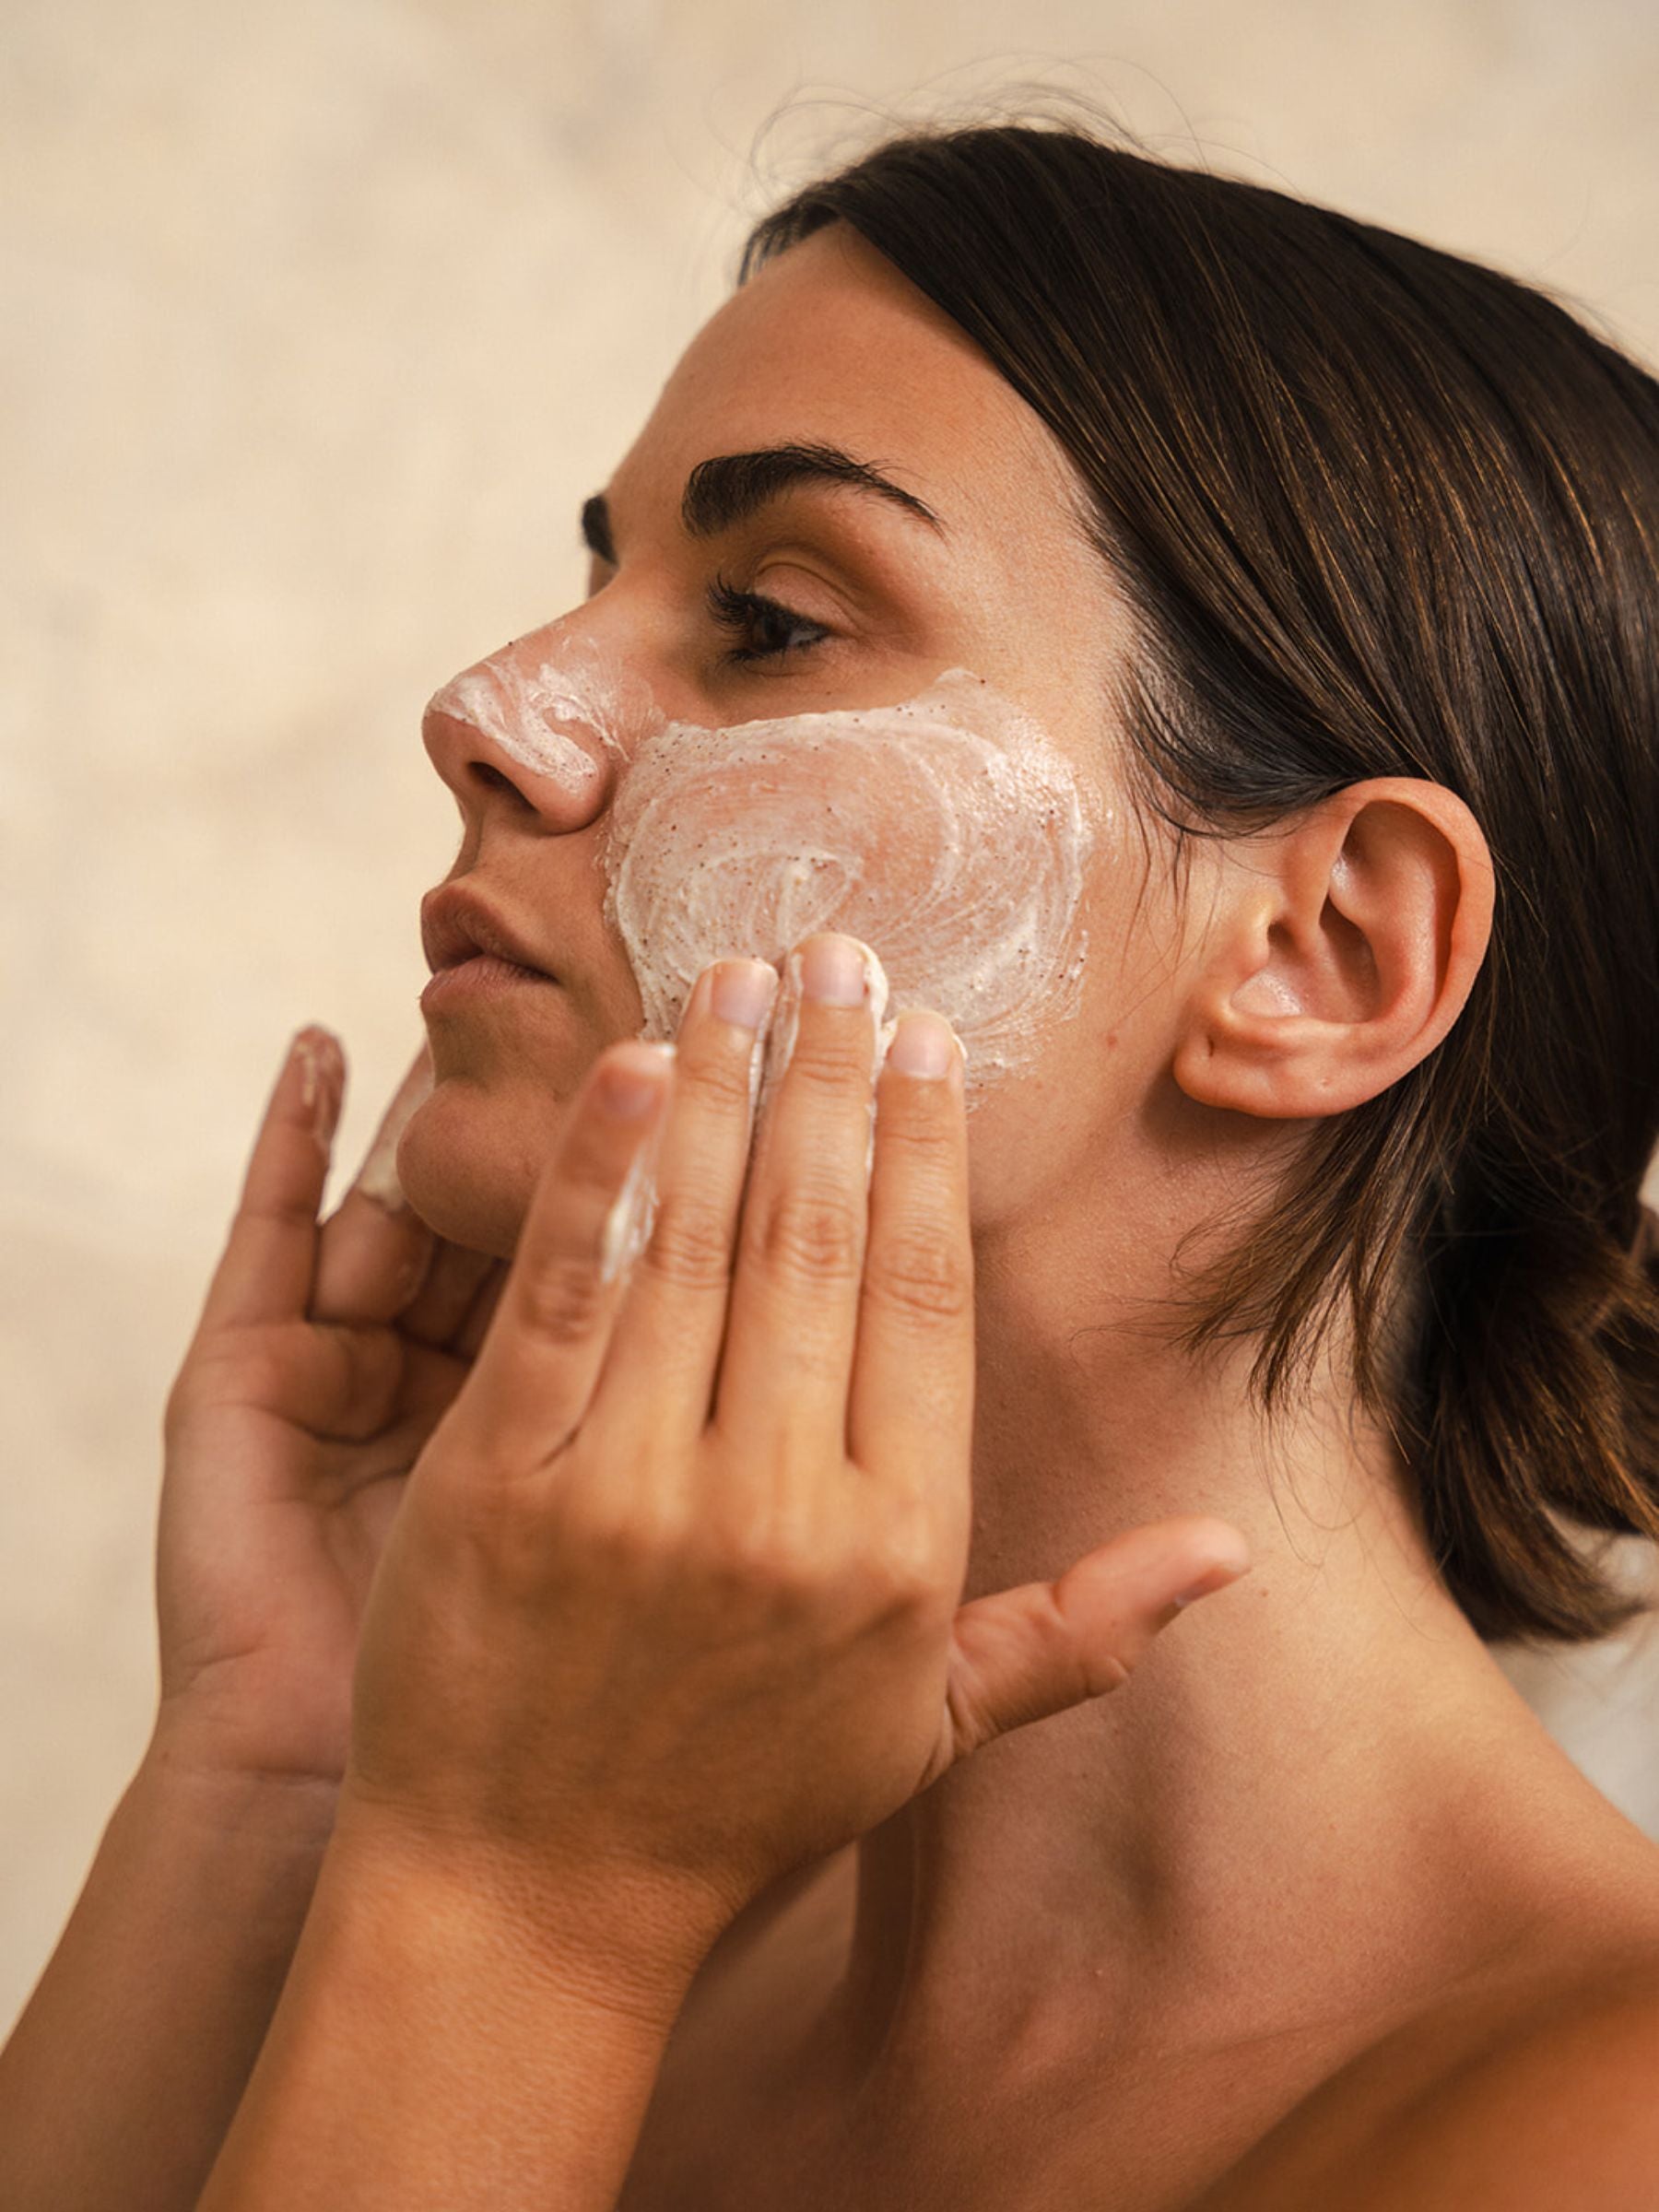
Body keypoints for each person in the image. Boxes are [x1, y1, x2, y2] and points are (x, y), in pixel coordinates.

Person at [5, 113, 1659, 2210]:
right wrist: (286, 1775)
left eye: (772, 620)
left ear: (1327, 958)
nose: (493, 707)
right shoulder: (597, 1940)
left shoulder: (1597, 2133)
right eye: (603, 571)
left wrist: (516, 1905)